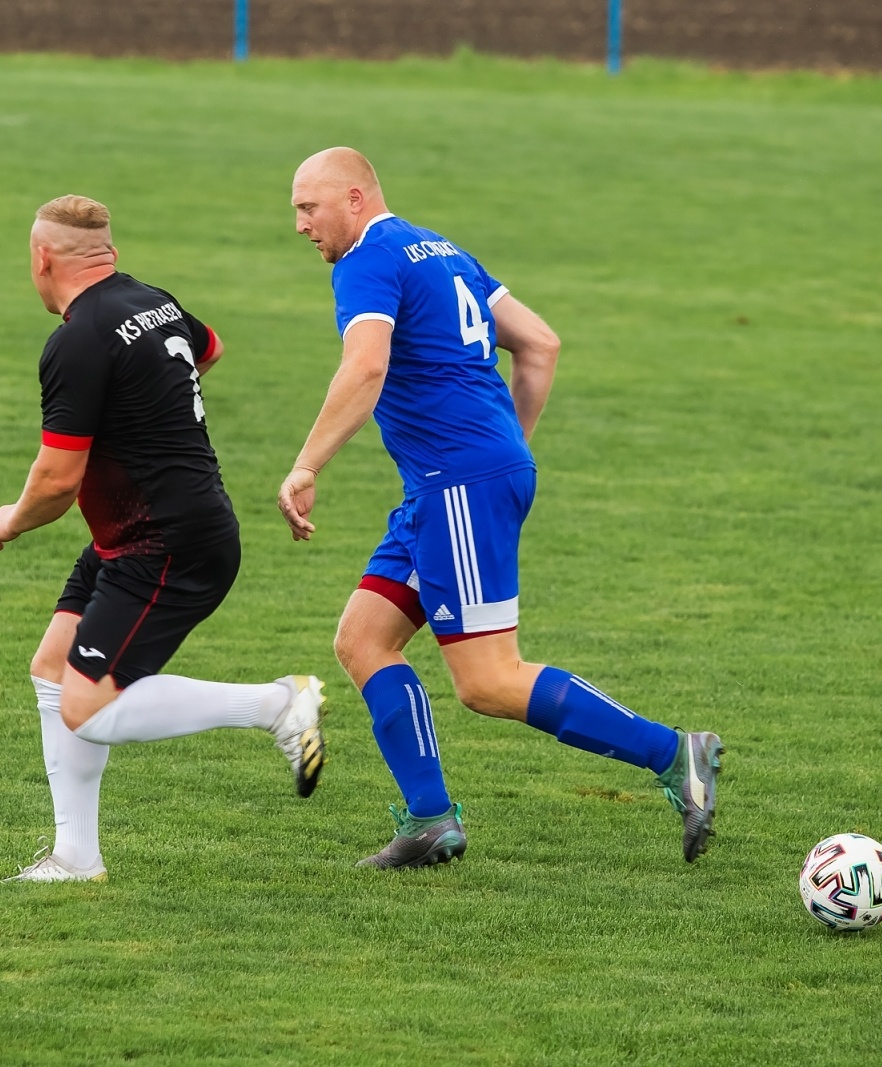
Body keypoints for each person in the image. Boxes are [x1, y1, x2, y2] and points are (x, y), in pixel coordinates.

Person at [277, 150, 725, 869]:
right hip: (454, 483)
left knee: (487, 680)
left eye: (308, 207)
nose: (299, 225)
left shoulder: (364, 259)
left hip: (458, 483)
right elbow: (539, 344)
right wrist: (507, 449)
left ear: (354, 199)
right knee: (364, 639)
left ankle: (676, 752)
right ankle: (430, 819)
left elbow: (365, 365)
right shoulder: (445, 252)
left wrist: (306, 464)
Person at [0, 194, 327, 883]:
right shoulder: (151, 300)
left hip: (164, 540)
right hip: (138, 533)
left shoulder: (76, 339)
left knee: (88, 704)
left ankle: (277, 703)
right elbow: (211, 347)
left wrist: (11, 519)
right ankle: (76, 856)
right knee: (54, 667)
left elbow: (55, 482)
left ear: (42, 257)